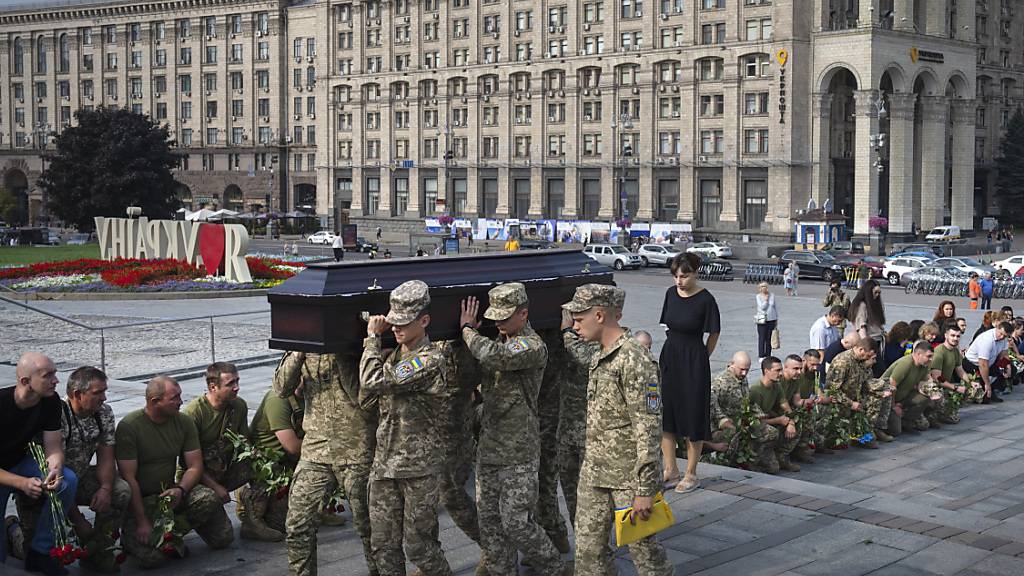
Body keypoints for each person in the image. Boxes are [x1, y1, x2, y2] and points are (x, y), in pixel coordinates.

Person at [562, 284, 672, 575]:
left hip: (628, 479)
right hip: (595, 472)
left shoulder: (635, 359)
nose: (574, 326)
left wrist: (645, 489)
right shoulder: (601, 353)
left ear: (599, 315)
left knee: (645, 554)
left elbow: (648, 427)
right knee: (588, 552)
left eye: (578, 319)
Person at [460, 284, 567, 575]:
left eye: (504, 317)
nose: (498, 322)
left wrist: (468, 330)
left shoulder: (531, 345)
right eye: (494, 316)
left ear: (523, 313)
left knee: (517, 523)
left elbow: (496, 356)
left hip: (519, 449)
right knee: (490, 523)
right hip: (489, 446)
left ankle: (556, 569)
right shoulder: (498, 340)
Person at [360, 280, 452, 576]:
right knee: (383, 545)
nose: (396, 328)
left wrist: (372, 338)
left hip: (418, 469)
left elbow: (372, 381)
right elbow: (365, 399)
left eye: (403, 323)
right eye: (393, 321)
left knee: (419, 546)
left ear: (424, 321)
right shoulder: (392, 356)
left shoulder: (429, 359)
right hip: (385, 465)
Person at [7, 366, 131, 572]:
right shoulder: (58, 414)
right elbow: (56, 472)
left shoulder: (103, 413)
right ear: (77, 394)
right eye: (97, 393)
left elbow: (106, 457)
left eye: (104, 391)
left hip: (78, 478)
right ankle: (13, 531)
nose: (104, 397)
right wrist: (78, 520)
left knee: (121, 490)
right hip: (49, 487)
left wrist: (105, 489)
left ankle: (98, 549)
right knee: (37, 558)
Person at [276, 350, 378, 576]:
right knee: (298, 525)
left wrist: (342, 350)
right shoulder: (305, 346)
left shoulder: (362, 344)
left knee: (370, 528)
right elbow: (281, 388)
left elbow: (363, 399)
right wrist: (299, 352)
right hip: (316, 448)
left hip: (356, 448)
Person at [115, 376, 233, 568]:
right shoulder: (130, 426)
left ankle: (172, 534)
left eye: (180, 396)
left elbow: (195, 466)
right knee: (152, 560)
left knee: (222, 536)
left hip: (170, 495)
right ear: (155, 401)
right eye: (174, 398)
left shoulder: (184, 422)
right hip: (142, 501)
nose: (180, 401)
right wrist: (142, 520)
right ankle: (135, 536)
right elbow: (128, 478)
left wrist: (180, 489)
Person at [0, 353, 78, 576]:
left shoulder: (50, 401)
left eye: (55, 373)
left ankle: (40, 552)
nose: (56, 380)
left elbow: (53, 447)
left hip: (19, 462)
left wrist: (55, 469)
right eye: (48, 375)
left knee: (67, 481)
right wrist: (22, 483)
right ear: (26, 381)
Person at [659, 253, 721, 494]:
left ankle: (691, 473)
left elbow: (714, 332)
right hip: (671, 356)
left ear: (696, 273)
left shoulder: (706, 299)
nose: (679, 281)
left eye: (684, 276)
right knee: (667, 414)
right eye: (675, 276)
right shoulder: (669, 294)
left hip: (694, 359)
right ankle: (670, 469)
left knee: (693, 415)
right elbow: (667, 324)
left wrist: (702, 356)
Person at [182, 362, 255, 535]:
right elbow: (189, 465)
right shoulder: (193, 414)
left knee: (260, 464)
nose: (237, 387)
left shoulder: (239, 406)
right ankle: (182, 523)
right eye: (230, 384)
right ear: (213, 387)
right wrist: (215, 487)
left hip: (224, 469)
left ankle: (253, 518)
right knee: (223, 538)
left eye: (237, 381)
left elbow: (245, 445)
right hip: (198, 478)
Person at [709, 352, 780, 473]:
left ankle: (754, 460)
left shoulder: (742, 379)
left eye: (747, 370)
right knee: (734, 436)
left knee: (771, 432)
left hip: (742, 421)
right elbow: (713, 407)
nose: (744, 373)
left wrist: (758, 413)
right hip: (725, 426)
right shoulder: (719, 382)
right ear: (732, 364)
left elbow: (747, 401)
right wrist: (723, 421)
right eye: (741, 369)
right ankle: (731, 465)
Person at [559, 309, 598, 525]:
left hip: (590, 434)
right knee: (571, 492)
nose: (576, 325)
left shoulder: (601, 342)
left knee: (592, 497)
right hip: (566, 431)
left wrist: (567, 332)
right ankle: (581, 534)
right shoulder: (573, 339)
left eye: (579, 320)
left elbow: (587, 359)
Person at [826, 338, 895, 444]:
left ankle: (872, 430)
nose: (869, 359)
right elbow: (833, 390)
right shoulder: (843, 362)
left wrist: (881, 391)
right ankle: (857, 434)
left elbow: (866, 383)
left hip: (857, 398)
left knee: (880, 396)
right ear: (861, 350)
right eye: (868, 355)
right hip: (841, 402)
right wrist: (851, 403)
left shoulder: (862, 361)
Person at [747, 357, 801, 472]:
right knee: (773, 468)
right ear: (766, 371)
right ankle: (754, 460)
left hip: (767, 420)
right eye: (777, 370)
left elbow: (785, 406)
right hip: (755, 427)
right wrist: (778, 420)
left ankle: (782, 457)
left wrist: (791, 422)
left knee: (797, 422)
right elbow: (752, 421)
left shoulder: (776, 385)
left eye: (781, 370)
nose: (781, 373)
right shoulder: (755, 391)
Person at [881, 341, 935, 433]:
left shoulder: (924, 365)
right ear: (919, 354)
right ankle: (886, 424)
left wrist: (933, 393)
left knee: (924, 399)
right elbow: (891, 386)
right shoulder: (906, 364)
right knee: (895, 431)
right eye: (928, 356)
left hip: (903, 396)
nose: (931, 359)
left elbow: (926, 380)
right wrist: (894, 406)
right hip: (886, 399)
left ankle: (906, 423)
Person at [928, 325, 970, 425]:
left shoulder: (955, 351)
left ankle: (947, 412)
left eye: (958, 336)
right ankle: (933, 413)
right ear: (946, 335)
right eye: (952, 335)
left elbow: (960, 370)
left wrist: (970, 382)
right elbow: (938, 378)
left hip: (945, 385)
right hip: (934, 386)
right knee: (924, 424)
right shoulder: (939, 352)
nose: (955, 338)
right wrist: (955, 387)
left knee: (969, 389)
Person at [964, 321, 1012, 404]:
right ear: (997, 328)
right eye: (1000, 334)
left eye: (1004, 336)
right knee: (984, 399)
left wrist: (1007, 367)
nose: (1001, 337)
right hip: (973, 364)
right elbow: (983, 364)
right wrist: (987, 384)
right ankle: (983, 390)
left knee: (1001, 371)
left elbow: (1004, 354)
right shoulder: (987, 340)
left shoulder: (1004, 339)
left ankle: (992, 390)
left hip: (990, 361)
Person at [848, 279, 886, 375]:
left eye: (879, 293)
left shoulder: (873, 305)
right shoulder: (862, 306)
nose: (877, 295)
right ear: (868, 292)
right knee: (877, 370)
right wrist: (867, 347)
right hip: (870, 342)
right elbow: (861, 328)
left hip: (877, 341)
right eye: (875, 292)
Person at [754, 282, 778, 362]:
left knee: (769, 338)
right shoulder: (758, 296)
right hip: (762, 319)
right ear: (760, 288)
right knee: (762, 337)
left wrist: (776, 318)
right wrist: (766, 300)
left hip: (771, 318)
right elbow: (762, 307)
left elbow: (775, 307)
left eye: (765, 286)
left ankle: (768, 354)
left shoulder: (772, 295)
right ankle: (761, 355)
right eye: (762, 287)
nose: (764, 288)